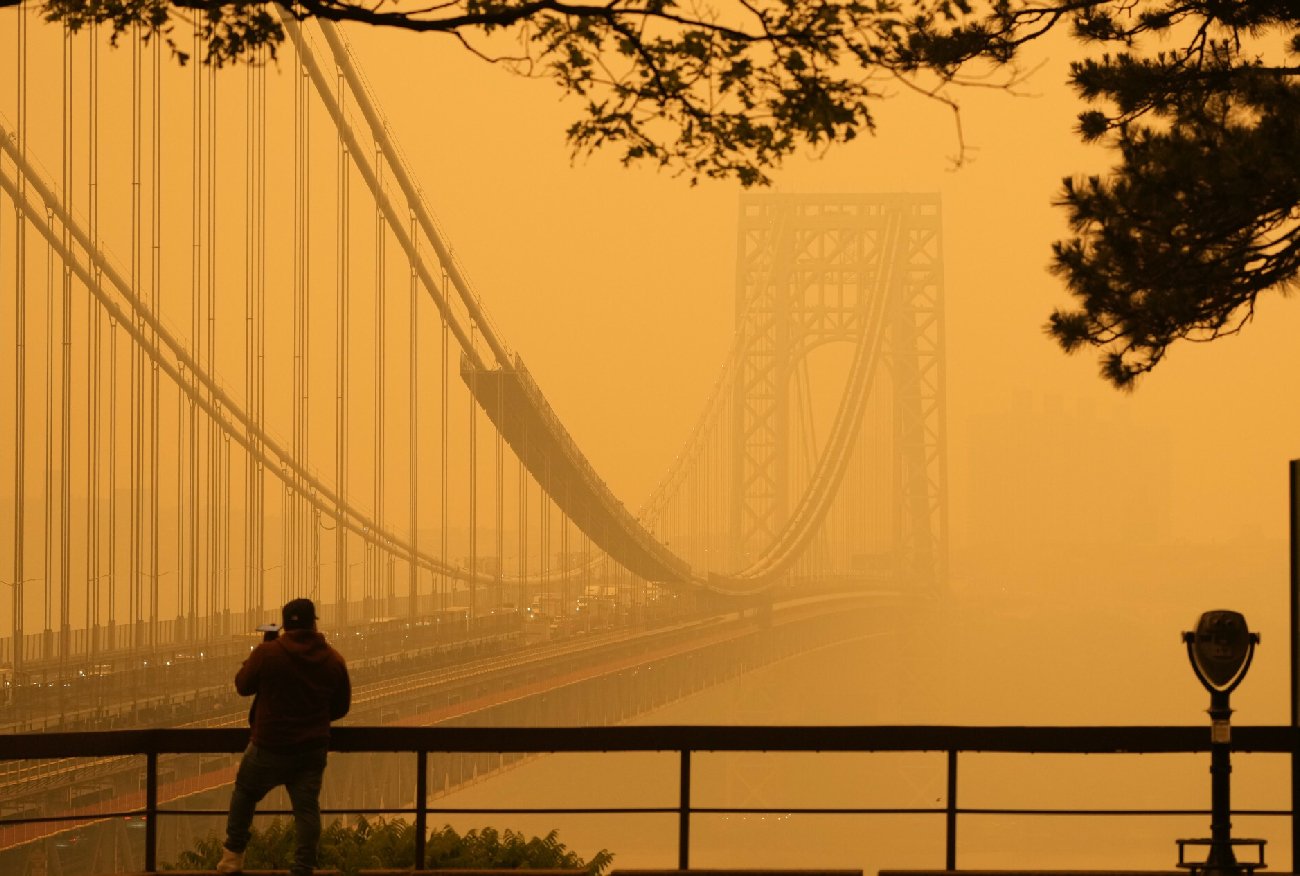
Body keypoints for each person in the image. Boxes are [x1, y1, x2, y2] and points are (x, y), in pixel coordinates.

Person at [218, 598, 351, 875]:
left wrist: (264, 647)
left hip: (269, 746)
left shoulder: (269, 653)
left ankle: (232, 859)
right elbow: (341, 707)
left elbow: (243, 685)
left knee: (244, 793)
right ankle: (303, 867)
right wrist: (315, 721)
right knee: (306, 809)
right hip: (312, 750)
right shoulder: (333, 659)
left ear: (284, 625)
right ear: (314, 623)